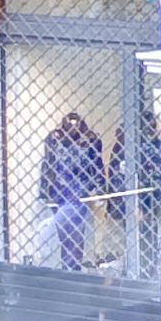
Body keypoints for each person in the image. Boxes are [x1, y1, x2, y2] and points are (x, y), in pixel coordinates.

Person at [40, 112, 105, 268]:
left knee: (77, 233)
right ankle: (66, 266)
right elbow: (48, 163)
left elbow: (97, 165)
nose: (73, 127)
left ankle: (73, 266)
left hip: (79, 194)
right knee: (62, 233)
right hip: (59, 193)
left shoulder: (90, 140)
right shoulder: (54, 139)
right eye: (70, 124)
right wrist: (44, 191)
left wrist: (101, 189)